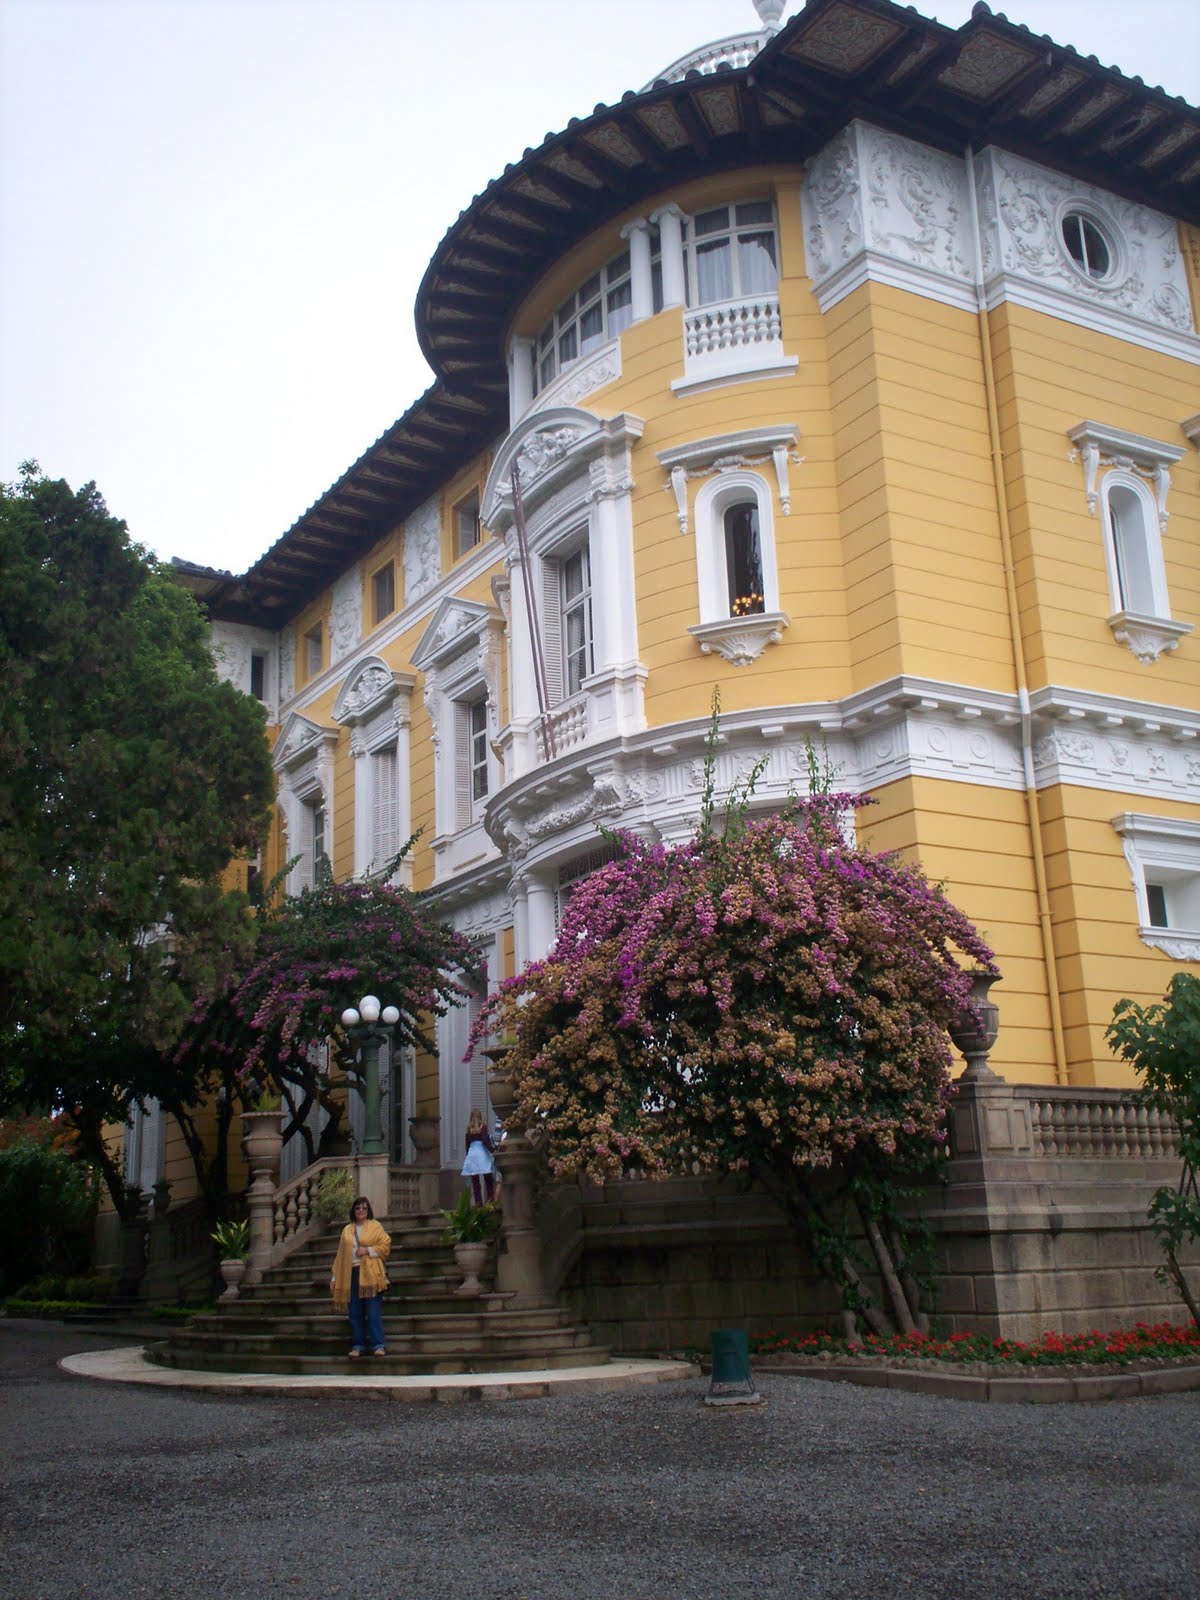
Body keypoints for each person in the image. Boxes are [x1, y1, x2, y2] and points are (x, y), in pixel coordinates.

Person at [329, 1196, 391, 1357]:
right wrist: (335, 1277)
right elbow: (341, 1255)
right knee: (355, 1312)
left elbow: (385, 1244)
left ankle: (378, 1344)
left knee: (372, 1311)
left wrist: (368, 1250)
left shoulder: (375, 1226)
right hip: (352, 1273)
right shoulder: (347, 1230)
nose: (361, 1211)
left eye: (364, 1208)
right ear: (353, 1211)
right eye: (358, 1208)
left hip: (371, 1274)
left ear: (368, 1209)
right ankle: (358, 1344)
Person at [461, 1108, 496, 1204]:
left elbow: (467, 1145)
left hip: (472, 1154)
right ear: (480, 1117)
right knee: (488, 1178)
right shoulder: (483, 1127)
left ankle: (478, 1203)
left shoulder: (469, 1129)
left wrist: (468, 1156)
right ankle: (490, 1201)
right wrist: (492, 1150)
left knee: (475, 1181)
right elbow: (485, 1141)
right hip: (482, 1154)